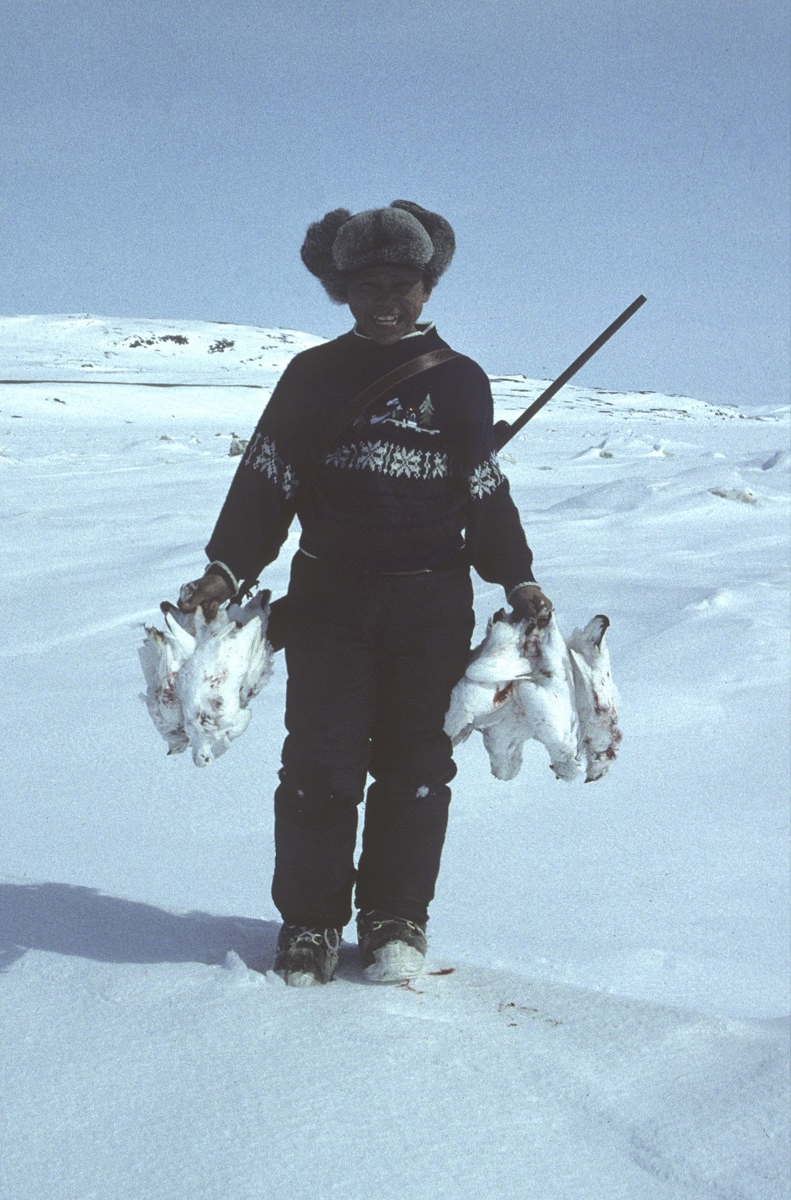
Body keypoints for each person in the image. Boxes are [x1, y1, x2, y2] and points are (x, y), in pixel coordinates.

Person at [177, 200, 552, 986]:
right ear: (340, 290)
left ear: (428, 287)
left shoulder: (458, 381)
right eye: (368, 285)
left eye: (402, 285)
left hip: (429, 604)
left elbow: (482, 490)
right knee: (319, 761)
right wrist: (226, 568)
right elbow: (267, 478)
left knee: (416, 765)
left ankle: (394, 918)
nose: (386, 301)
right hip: (328, 599)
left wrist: (516, 576)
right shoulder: (311, 375)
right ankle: (310, 923)